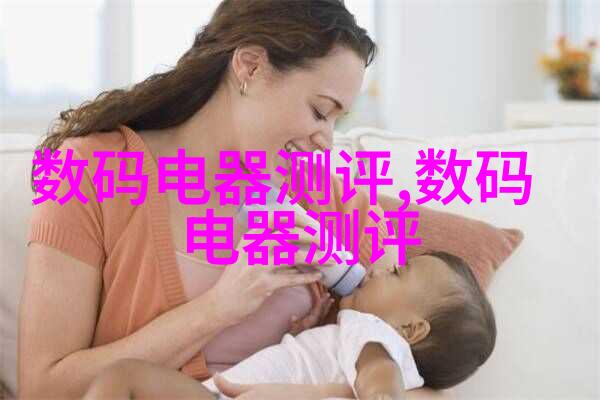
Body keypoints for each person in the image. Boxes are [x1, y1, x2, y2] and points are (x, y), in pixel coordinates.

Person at [20, 1, 448, 398]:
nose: (327, 140)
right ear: (250, 67)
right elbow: (43, 387)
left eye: (337, 119)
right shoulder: (89, 170)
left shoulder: (326, 197)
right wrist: (218, 308)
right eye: (320, 111)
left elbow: (419, 377)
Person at [82, 252, 496, 400]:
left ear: (411, 330)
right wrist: (302, 340)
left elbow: (378, 376)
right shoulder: (354, 336)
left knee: (123, 379)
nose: (382, 265)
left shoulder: (376, 336)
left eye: (399, 272)